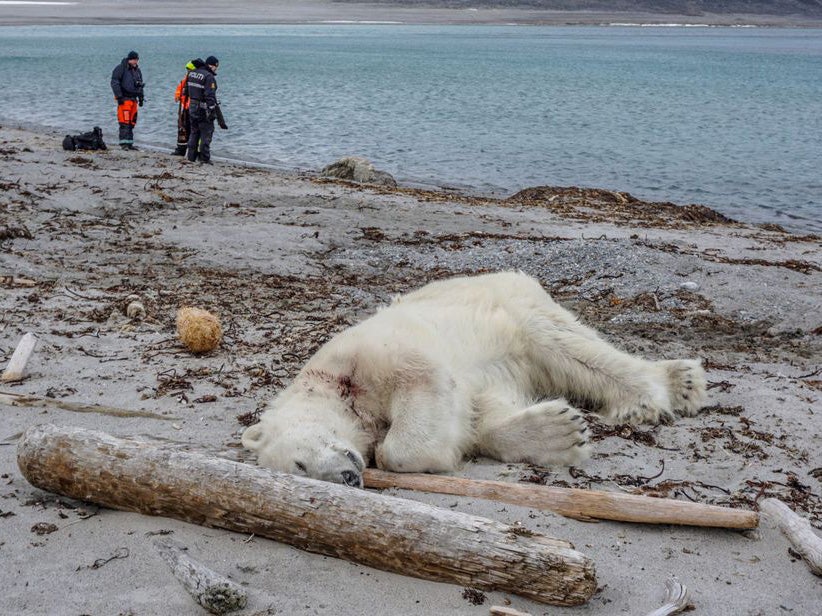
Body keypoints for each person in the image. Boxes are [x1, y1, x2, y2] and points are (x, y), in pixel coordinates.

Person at [186, 55, 227, 164]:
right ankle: (204, 158)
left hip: (192, 106)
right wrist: (212, 110)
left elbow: (186, 91)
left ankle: (191, 157)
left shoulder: (192, 73)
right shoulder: (209, 77)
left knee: (194, 132)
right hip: (203, 108)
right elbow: (210, 95)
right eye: (215, 67)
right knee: (206, 132)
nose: (215, 69)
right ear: (211, 65)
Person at [110, 50, 145, 150]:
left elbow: (140, 85)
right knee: (124, 122)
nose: (135, 62)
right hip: (124, 99)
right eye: (134, 59)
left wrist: (141, 97)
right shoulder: (120, 68)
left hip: (134, 100)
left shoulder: (137, 71)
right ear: (129, 59)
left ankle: (130, 143)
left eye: (137, 60)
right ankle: (124, 144)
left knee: (132, 122)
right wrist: (119, 97)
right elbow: (114, 82)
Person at [173, 58, 204, 156]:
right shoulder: (186, 78)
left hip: (194, 108)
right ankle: (181, 150)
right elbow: (180, 88)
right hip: (186, 108)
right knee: (183, 130)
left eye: (190, 70)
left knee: (195, 131)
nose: (188, 72)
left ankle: (196, 152)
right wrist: (178, 95)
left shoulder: (198, 78)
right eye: (188, 70)